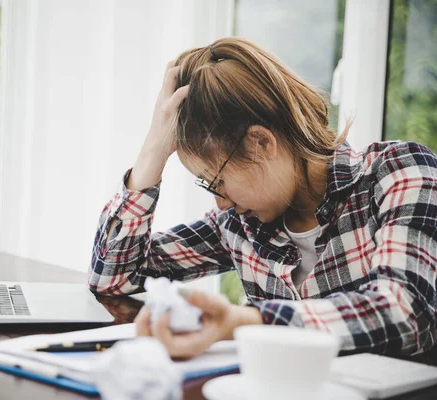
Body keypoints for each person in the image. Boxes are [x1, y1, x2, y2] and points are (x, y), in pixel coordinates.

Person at [88, 37, 437, 359]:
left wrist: (248, 321)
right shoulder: (240, 225)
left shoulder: (399, 173)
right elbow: (115, 278)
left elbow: (405, 310)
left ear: (261, 143)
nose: (220, 203)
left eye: (217, 181)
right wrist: (152, 154)